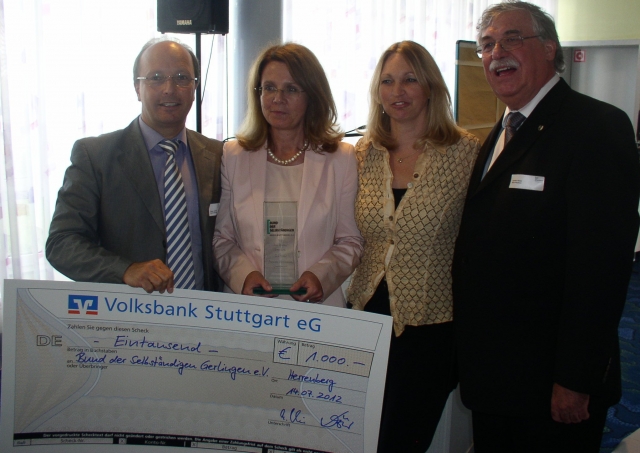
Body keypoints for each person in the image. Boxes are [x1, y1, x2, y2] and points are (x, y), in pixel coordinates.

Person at [452, 2, 640, 452]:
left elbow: (601, 270)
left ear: (550, 47)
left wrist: (576, 379)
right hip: (497, 375)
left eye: (512, 38)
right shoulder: (500, 131)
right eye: (486, 45)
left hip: (551, 386)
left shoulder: (596, 127)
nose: (497, 53)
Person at [347, 40, 480, 452]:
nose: (397, 91)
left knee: (403, 440)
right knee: (357, 435)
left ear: (430, 88)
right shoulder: (361, 154)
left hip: (431, 327)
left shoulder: (466, 153)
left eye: (409, 80)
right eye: (387, 81)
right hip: (365, 318)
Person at [46, 38, 222, 294]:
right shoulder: (95, 157)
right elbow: (61, 244)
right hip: (128, 314)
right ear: (137, 88)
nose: (169, 89)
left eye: (182, 77)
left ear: (194, 88)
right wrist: (125, 270)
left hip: (205, 313)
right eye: (156, 78)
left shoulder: (217, 155)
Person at [212, 43, 363, 307]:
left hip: (315, 310)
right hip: (249, 308)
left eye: (291, 89)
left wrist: (320, 276)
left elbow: (350, 240)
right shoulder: (233, 156)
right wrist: (243, 275)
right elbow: (222, 239)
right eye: (269, 88)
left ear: (313, 96)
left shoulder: (341, 158)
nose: (277, 99)